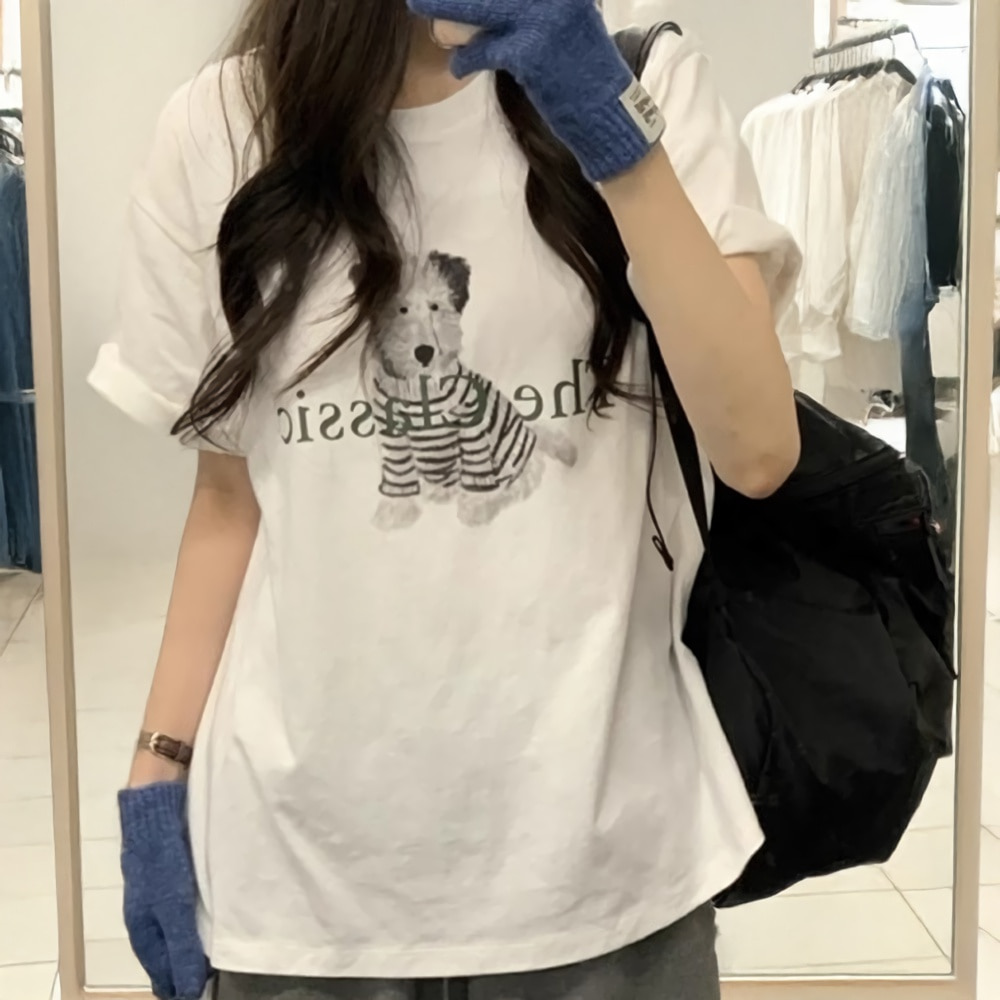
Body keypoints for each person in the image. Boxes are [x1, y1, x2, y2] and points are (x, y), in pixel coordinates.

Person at [89, 1, 802, 998]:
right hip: (301, 889)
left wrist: (607, 126)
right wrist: (156, 769)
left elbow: (757, 448)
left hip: (603, 871)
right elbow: (227, 497)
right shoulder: (222, 125)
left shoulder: (645, 82)